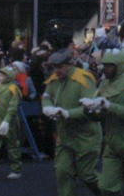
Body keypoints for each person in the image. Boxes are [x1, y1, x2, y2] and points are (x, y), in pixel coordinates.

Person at [87, 49, 124, 196]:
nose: (105, 68)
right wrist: (90, 110)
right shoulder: (105, 84)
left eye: (110, 65)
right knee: (106, 187)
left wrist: (109, 106)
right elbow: (98, 116)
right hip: (112, 142)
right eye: (104, 65)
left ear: (120, 66)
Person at [41, 50, 100, 196]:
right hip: (65, 135)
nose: (56, 70)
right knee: (62, 172)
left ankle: (111, 193)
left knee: (87, 175)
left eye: (60, 67)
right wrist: (47, 107)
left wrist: (68, 113)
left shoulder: (83, 79)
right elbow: (47, 96)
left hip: (86, 136)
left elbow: (90, 107)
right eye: (53, 67)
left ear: (70, 64)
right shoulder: (54, 79)